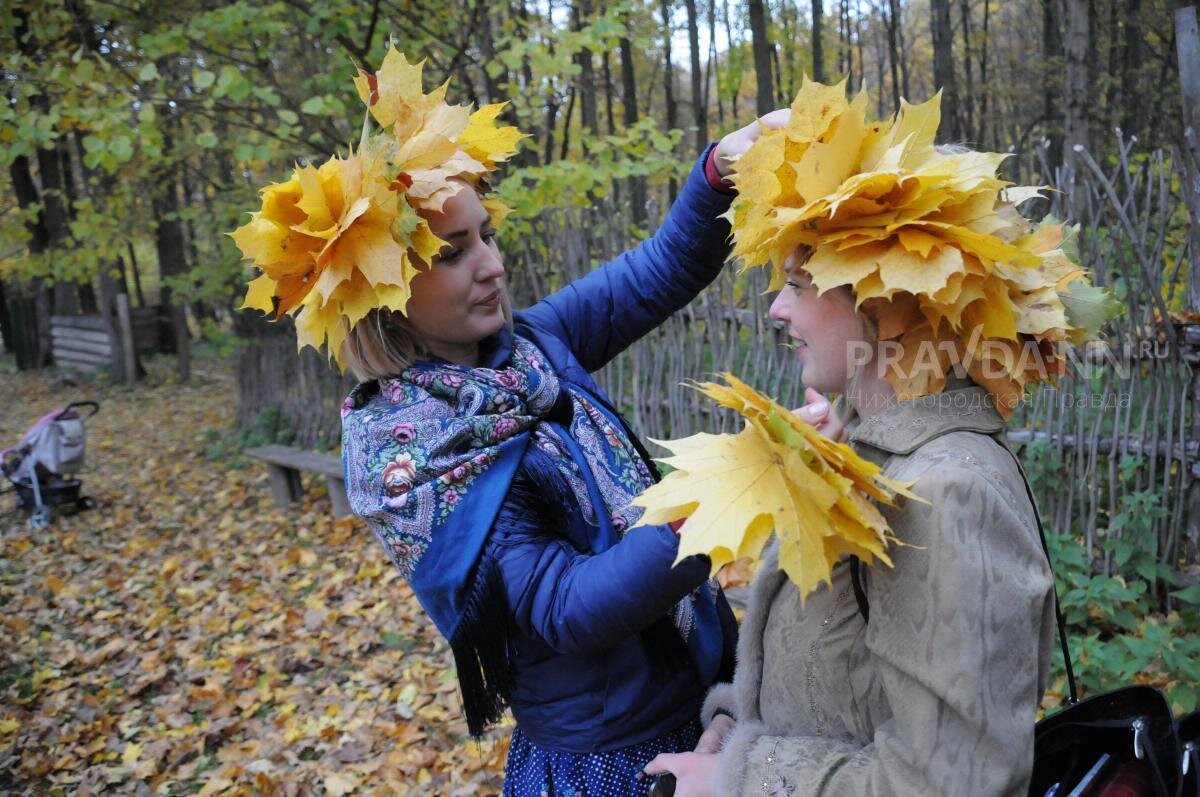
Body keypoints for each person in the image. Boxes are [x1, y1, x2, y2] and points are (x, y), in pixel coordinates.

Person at [233, 45, 791, 796]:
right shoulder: (417, 458)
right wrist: (719, 495)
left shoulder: (524, 348)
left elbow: (653, 274)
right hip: (618, 760)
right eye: (453, 252)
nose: (491, 263)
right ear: (383, 290)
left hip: (704, 697)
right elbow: (568, 606)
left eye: (485, 234)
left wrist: (717, 175)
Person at [640, 83, 1112, 795]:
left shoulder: (948, 494)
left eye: (801, 281)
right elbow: (836, 686)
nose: (775, 307)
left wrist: (740, 778)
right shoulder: (866, 452)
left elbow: (952, 782)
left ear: (892, 299)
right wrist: (735, 730)